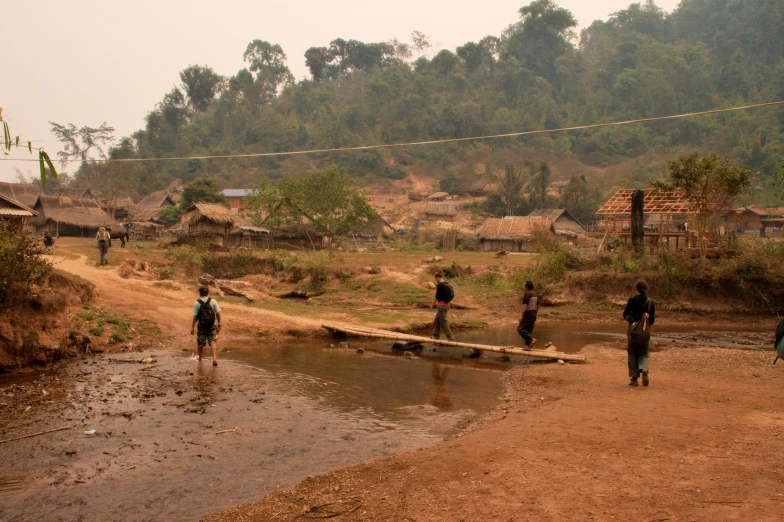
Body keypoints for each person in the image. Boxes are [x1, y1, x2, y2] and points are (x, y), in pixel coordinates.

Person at [623, 280, 655, 387]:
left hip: (633, 329)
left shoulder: (632, 300)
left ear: (636, 288)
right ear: (646, 289)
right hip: (645, 331)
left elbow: (625, 314)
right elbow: (652, 320)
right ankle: (644, 369)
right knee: (643, 353)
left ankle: (634, 379)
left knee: (632, 353)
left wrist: (632, 319)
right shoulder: (650, 302)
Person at [191, 286, 222, 366]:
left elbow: (195, 316)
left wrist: (192, 328)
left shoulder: (197, 302)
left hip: (201, 326)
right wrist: (219, 323)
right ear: (207, 292)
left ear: (200, 293)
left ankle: (200, 359)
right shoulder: (212, 301)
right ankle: (214, 358)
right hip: (211, 325)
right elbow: (218, 313)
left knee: (200, 342)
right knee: (212, 340)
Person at [431, 272, 454, 341]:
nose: (436, 280)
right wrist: (448, 304)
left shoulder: (440, 285)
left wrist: (432, 305)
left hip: (441, 306)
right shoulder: (446, 283)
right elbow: (447, 295)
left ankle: (450, 337)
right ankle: (436, 335)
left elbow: (437, 297)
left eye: (435, 279)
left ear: (437, 277)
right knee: (436, 321)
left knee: (443, 321)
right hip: (446, 305)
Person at [518, 281, 538, 348]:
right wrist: (535, 313)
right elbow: (538, 305)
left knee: (520, 329)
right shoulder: (535, 294)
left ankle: (531, 340)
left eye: (524, 286)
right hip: (533, 315)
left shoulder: (527, 293)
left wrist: (521, 315)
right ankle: (528, 346)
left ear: (527, 287)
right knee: (528, 331)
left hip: (528, 314)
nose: (524, 287)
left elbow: (525, 305)